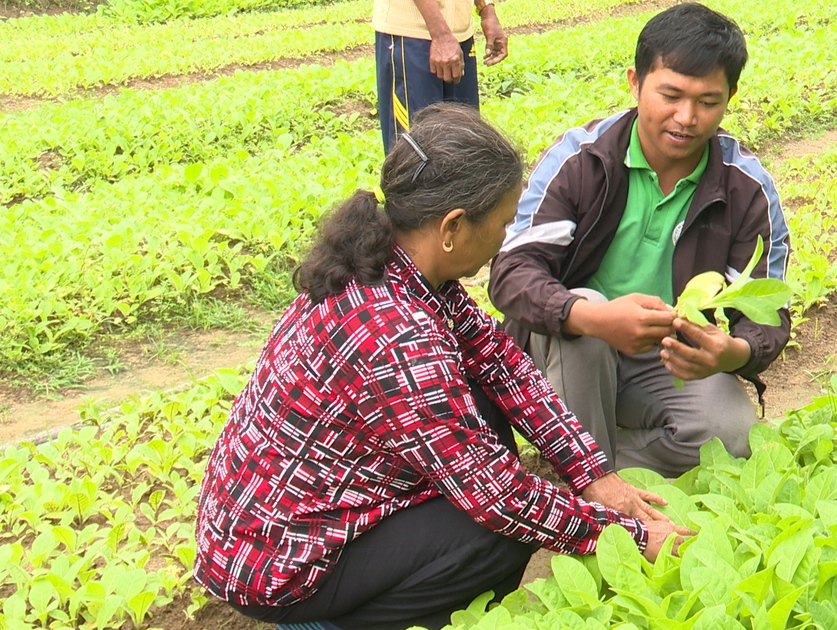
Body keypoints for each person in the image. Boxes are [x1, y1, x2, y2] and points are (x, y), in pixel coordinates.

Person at [193, 103, 691, 630]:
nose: (506, 237)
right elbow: (498, 497)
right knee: (498, 534)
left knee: (488, 416)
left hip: (293, 518)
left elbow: (504, 367)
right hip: (279, 564)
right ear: (453, 226)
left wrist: (593, 477)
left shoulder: (402, 269)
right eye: (503, 222)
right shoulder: (395, 331)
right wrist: (632, 537)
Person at [488, 3, 791, 478]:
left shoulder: (746, 187)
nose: (686, 117)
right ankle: (591, 480)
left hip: (666, 358)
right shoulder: (580, 159)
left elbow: (767, 307)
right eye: (670, 95)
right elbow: (512, 271)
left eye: (708, 102)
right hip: (573, 354)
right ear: (634, 81)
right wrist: (592, 316)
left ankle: (587, 469)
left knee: (735, 435)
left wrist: (734, 352)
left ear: (731, 95)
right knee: (582, 312)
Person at [373, 0, 508, 155]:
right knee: (415, 153)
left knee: (466, 148)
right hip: (412, 34)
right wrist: (440, 34)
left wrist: (486, 10)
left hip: (460, 32)